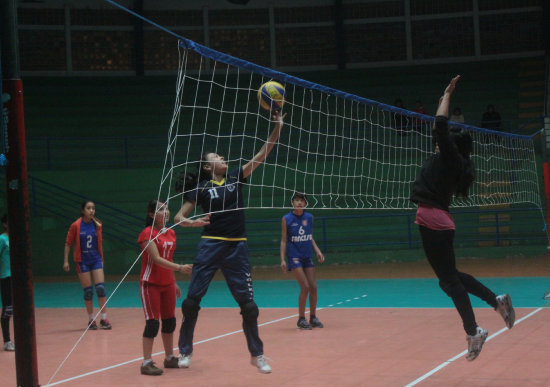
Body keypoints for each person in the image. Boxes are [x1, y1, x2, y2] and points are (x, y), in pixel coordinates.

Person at [410, 75, 515, 362]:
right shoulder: (457, 164)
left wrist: (446, 95)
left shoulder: (449, 159)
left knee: (448, 282)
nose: (436, 140)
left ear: (449, 145)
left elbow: (440, 125)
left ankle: (473, 332)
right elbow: (437, 127)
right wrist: (443, 98)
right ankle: (497, 301)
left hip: (433, 220)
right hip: (438, 219)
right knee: (451, 277)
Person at [174, 110, 286, 374]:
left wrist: (278, 127)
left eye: (222, 156)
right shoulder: (200, 189)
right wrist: (190, 222)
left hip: (237, 246)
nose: (223, 158)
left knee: (249, 307)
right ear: (207, 167)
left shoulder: (236, 177)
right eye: (217, 157)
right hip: (211, 244)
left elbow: (262, 154)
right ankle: (185, 351)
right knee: (191, 302)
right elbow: (179, 216)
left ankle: (257, 354)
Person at [138, 200, 193, 376]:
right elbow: (155, 259)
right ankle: (146, 362)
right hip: (150, 284)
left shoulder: (171, 233)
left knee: (169, 322)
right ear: (152, 215)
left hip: (167, 283)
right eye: (161, 209)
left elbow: (167, 259)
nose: (166, 212)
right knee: (153, 323)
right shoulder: (147, 233)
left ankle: (169, 357)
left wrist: (173, 280)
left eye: (166, 208)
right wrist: (179, 267)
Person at [280, 192, 325, 330]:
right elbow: (283, 240)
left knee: (314, 287)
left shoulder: (309, 217)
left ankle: (313, 317)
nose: (299, 202)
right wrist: (282, 259)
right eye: (296, 200)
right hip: (294, 257)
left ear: (305, 203)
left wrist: (317, 251)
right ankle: (301, 318)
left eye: (301, 200)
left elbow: (309, 236)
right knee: (304, 287)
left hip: (307, 256)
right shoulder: (286, 218)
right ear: (292, 202)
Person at [63, 201, 112, 330]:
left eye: (93, 208)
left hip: (95, 259)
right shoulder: (76, 225)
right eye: (88, 208)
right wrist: (66, 261)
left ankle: (104, 318)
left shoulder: (97, 225)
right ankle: (91, 319)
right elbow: (68, 243)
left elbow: (99, 243)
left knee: (101, 288)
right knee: (88, 291)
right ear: (83, 210)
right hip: (82, 260)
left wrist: (101, 258)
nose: (91, 211)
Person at [0, 214, 14, 351]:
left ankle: (21, 338)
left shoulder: (17, 239)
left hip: (17, 279)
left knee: (19, 309)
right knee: (7, 309)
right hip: (6, 277)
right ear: (5, 224)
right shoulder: (2, 239)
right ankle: (7, 341)